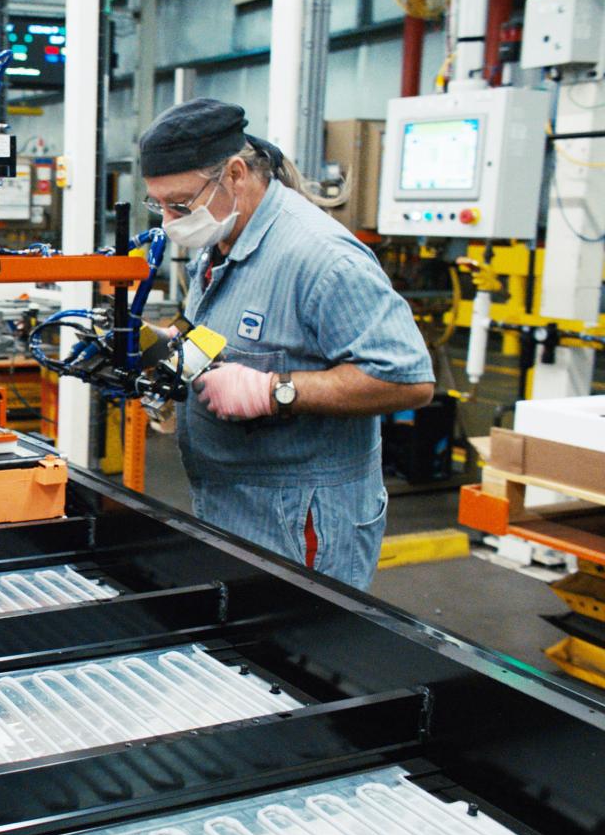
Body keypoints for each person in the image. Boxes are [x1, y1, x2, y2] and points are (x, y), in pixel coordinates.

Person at [139, 98, 434, 591]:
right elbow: (222, 332)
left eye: (180, 205)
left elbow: (407, 380)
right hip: (231, 502)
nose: (169, 221)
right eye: (160, 205)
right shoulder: (222, 240)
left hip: (301, 521)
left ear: (234, 174)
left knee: (295, 657)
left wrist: (275, 390)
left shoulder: (320, 258)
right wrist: (175, 348)